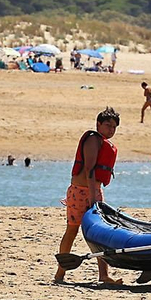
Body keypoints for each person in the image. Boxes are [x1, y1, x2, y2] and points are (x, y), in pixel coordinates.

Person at [54, 107, 120, 285]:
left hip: (94, 191)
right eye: (107, 125)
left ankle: (103, 275)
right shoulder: (92, 139)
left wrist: (95, 194)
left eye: (114, 127)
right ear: (98, 124)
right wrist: (93, 197)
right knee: (72, 230)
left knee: (100, 233)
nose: (111, 130)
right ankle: (60, 274)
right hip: (81, 191)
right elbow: (89, 170)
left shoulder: (104, 143)